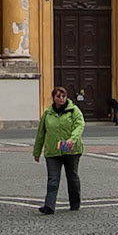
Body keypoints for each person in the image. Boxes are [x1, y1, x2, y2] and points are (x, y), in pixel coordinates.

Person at [33, 84, 85, 213]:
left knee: (72, 177)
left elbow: (79, 126)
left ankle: (75, 203)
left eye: (63, 96)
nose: (61, 98)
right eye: (58, 96)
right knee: (53, 179)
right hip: (52, 150)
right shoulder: (47, 113)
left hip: (71, 149)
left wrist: (71, 140)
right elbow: (41, 133)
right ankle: (49, 206)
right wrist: (37, 151)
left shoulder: (74, 110)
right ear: (53, 98)